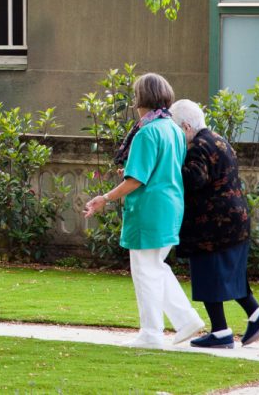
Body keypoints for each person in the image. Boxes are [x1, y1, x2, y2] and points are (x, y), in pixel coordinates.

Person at [84, 73, 205, 348]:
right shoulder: (172, 129)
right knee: (155, 267)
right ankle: (186, 319)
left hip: (149, 209)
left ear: (140, 98)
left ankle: (152, 333)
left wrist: (105, 197)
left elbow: (137, 179)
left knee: (145, 271)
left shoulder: (147, 133)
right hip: (170, 207)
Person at [170, 99, 259, 348]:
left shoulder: (197, 146)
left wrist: (169, 166)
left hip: (212, 225)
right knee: (229, 274)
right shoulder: (218, 140)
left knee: (208, 275)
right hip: (234, 219)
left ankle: (222, 331)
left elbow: (195, 178)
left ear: (185, 126)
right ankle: (251, 316)